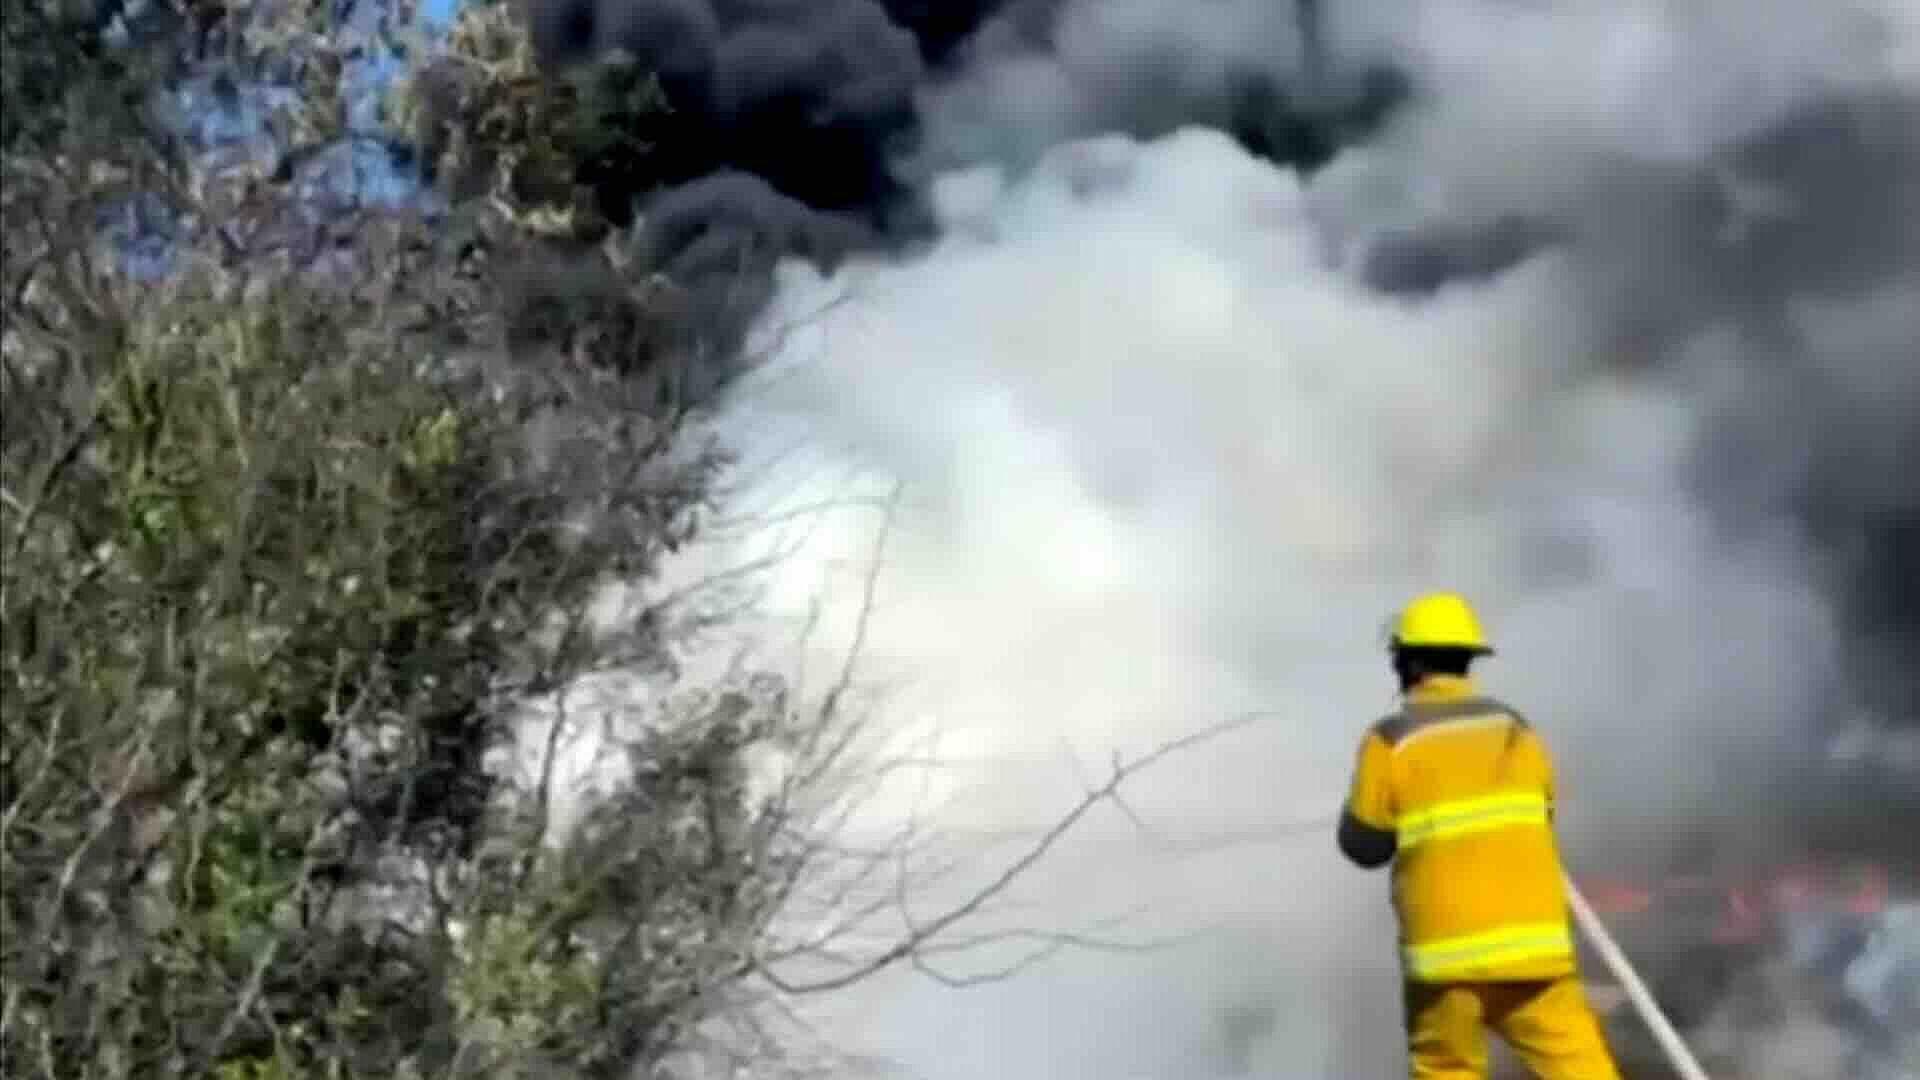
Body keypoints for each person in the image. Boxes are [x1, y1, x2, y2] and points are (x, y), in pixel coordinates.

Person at [1338, 591, 1623, 1079]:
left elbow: (1363, 846)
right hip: (1537, 955)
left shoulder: (1390, 741)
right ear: (1469, 660)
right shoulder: (1516, 729)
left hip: (1447, 963)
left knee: (1447, 1069)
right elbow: (1542, 813)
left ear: (1407, 663)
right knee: (1585, 1071)